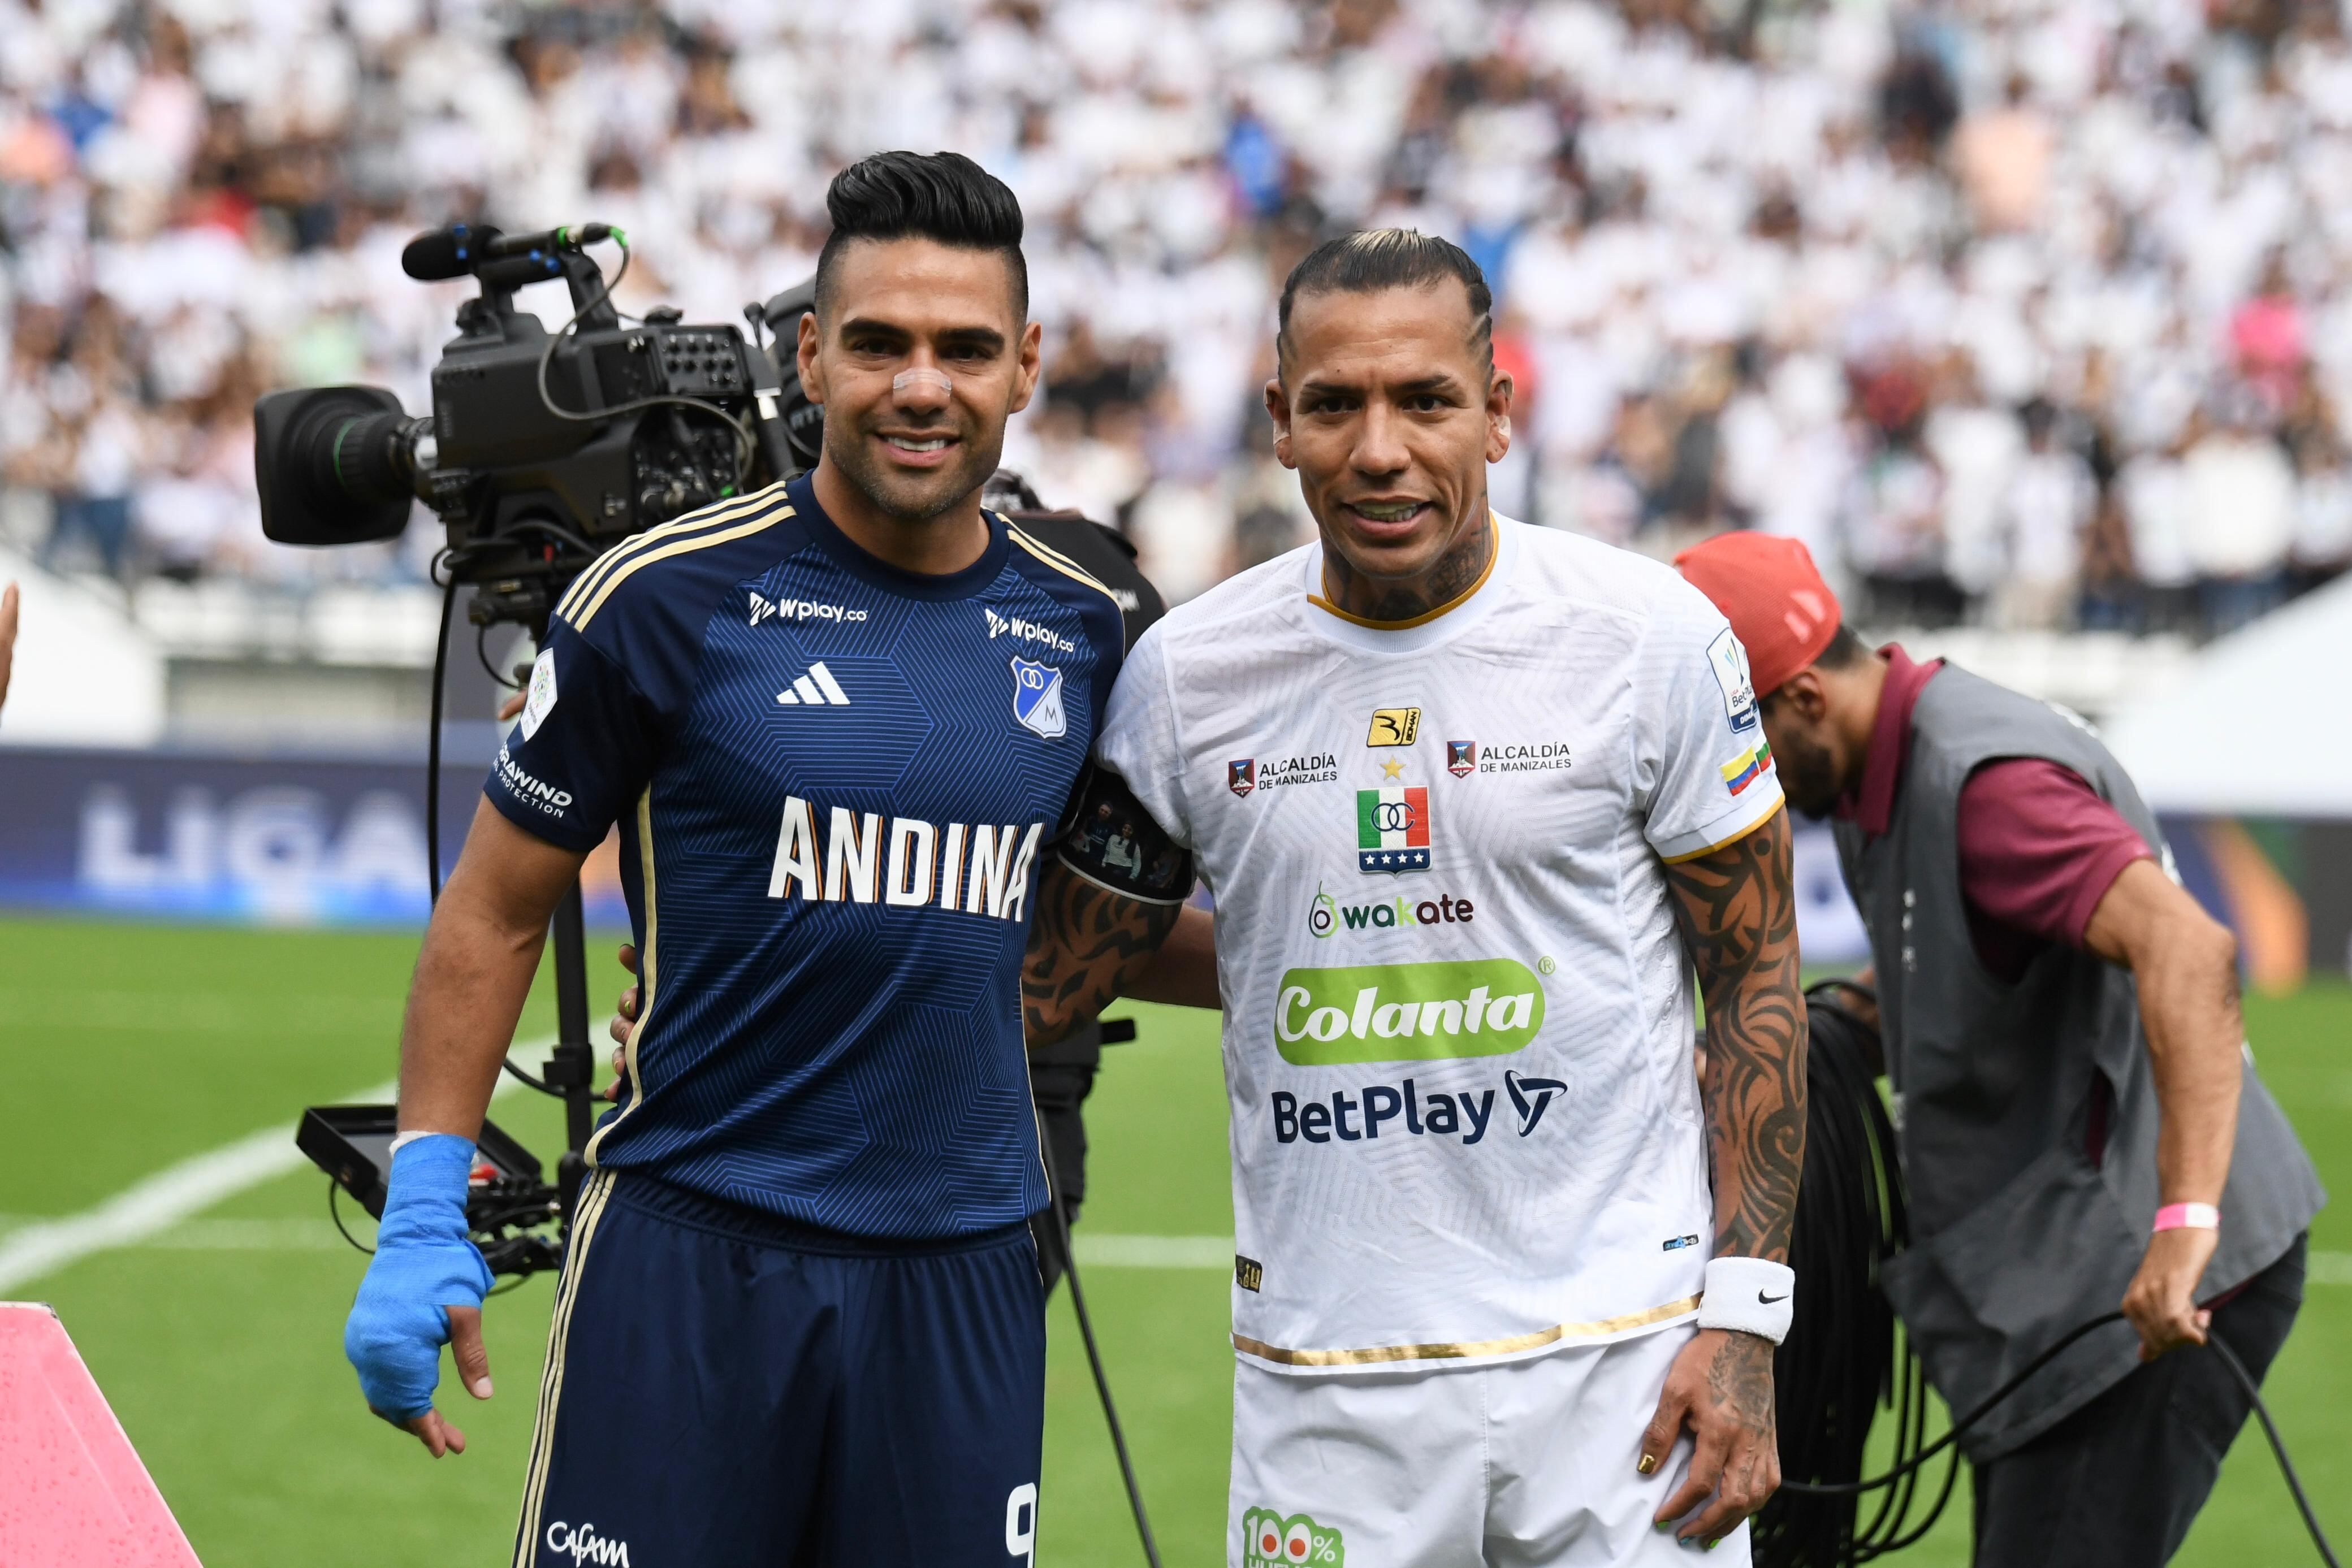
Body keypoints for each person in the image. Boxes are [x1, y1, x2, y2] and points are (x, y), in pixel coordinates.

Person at [340, 151, 1135, 1566]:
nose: (920, 385)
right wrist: (419, 1207)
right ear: (816, 357)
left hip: (963, 1272)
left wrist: (1346, 935)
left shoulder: (1088, 627)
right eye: (881, 344)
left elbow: (1106, 919)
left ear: (1025, 368)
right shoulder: (660, 595)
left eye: (964, 349)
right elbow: (496, 908)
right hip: (691, 1255)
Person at [1024, 230, 1808, 1562]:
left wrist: (1741, 1319)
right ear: (1278, 422)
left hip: (1624, 1361)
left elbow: (1753, 974)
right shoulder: (1185, 677)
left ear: (1497, 412)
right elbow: (1052, 977)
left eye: (1426, 400)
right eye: (1334, 404)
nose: (1378, 449)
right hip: (1328, 1380)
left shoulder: (1649, 639)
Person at [1675, 530, 2323, 1568]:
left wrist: (2184, 1225)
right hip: (2057, 1284)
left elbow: (2189, 950)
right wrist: (1802, 1037)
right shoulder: (1877, 756)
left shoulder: (1986, 784)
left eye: (1736, 743)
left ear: (1800, 699)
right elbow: (1963, 951)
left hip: (2146, 1290)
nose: (1732, 779)